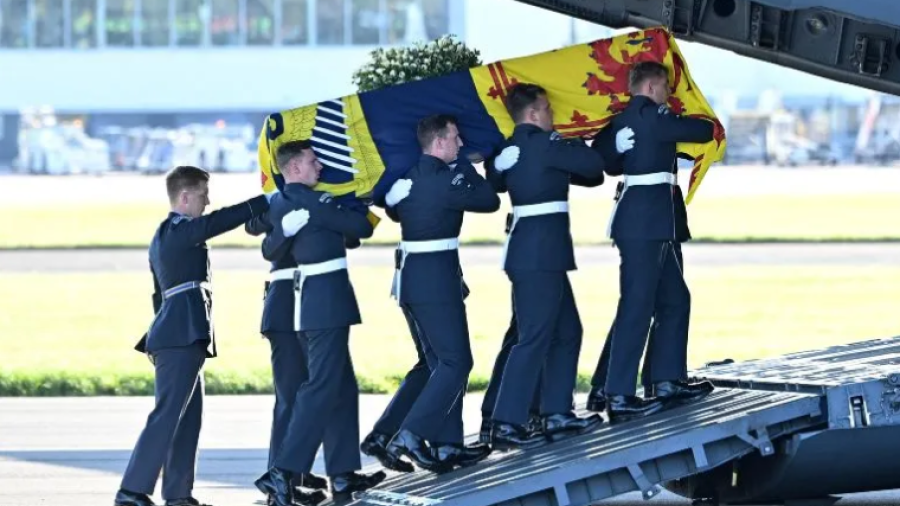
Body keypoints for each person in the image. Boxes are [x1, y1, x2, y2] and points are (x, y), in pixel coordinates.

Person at [115, 165, 270, 506]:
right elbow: (218, 222)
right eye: (203, 195)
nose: (208, 201)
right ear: (184, 197)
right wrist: (266, 200)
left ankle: (178, 495)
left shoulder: (172, 234)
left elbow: (159, 295)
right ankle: (131, 491)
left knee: (187, 419)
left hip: (184, 333)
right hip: (179, 335)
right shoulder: (176, 231)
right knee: (168, 415)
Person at [261, 140, 384, 506]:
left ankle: (343, 474)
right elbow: (360, 228)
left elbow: (272, 247)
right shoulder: (314, 201)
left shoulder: (282, 202)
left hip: (314, 300)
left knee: (343, 387)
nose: (320, 167)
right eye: (313, 162)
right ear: (294, 168)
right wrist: (357, 200)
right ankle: (282, 471)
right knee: (321, 387)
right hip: (324, 302)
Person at [487, 83, 607, 451]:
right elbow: (593, 167)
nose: (553, 116)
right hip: (540, 256)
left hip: (535, 254)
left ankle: (556, 413)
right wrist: (570, 140)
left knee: (567, 331)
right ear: (535, 113)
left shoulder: (507, 150)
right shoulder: (547, 144)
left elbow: (495, 179)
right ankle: (507, 421)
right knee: (534, 337)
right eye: (549, 111)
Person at [382, 114, 500, 473]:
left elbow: (395, 208)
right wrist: (465, 165)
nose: (461, 144)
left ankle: (448, 446)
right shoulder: (444, 179)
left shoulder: (408, 178)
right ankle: (412, 435)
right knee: (456, 362)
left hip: (414, 279)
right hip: (434, 280)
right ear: (439, 143)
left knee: (440, 365)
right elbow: (488, 200)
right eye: (455, 138)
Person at [600, 60, 716, 424]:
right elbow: (703, 130)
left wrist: (613, 143)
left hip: (651, 224)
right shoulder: (653, 117)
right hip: (644, 225)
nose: (670, 93)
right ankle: (618, 394)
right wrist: (675, 110)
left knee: (675, 300)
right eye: (666, 87)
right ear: (651, 88)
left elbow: (604, 158)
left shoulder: (622, 120)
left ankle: (666, 380)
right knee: (637, 306)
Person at [244, 213, 329, 505]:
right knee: (291, 398)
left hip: (308, 306)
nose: (318, 165)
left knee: (308, 395)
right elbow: (253, 224)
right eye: (311, 162)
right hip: (286, 308)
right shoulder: (283, 200)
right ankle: (279, 485)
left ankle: (291, 477)